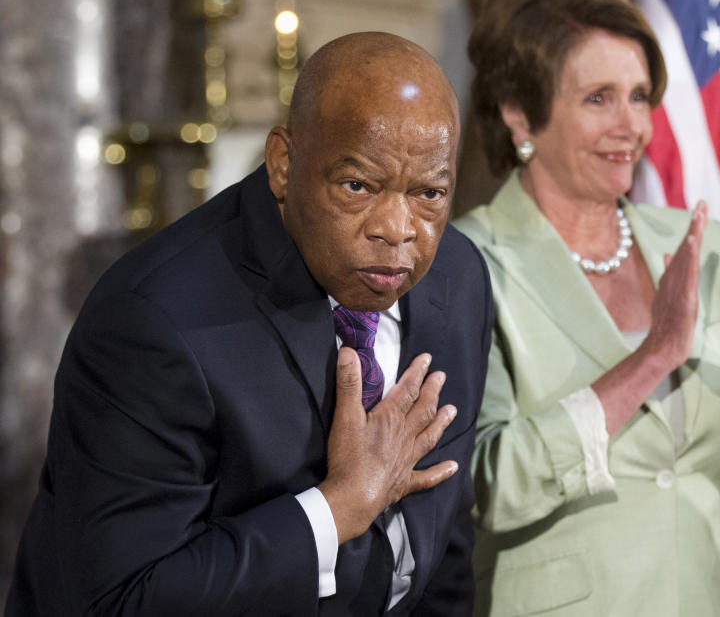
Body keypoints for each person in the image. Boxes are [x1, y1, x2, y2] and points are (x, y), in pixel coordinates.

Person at [6, 32, 493, 617]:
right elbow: (122, 599)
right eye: (358, 185)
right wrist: (336, 509)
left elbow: (440, 542)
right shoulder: (156, 321)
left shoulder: (456, 278)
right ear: (285, 164)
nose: (397, 228)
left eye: (429, 193)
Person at [454, 0, 720, 616]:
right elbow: (483, 487)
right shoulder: (469, 264)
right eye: (599, 98)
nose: (632, 125)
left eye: (639, 95)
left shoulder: (698, 242)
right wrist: (653, 356)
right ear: (519, 112)